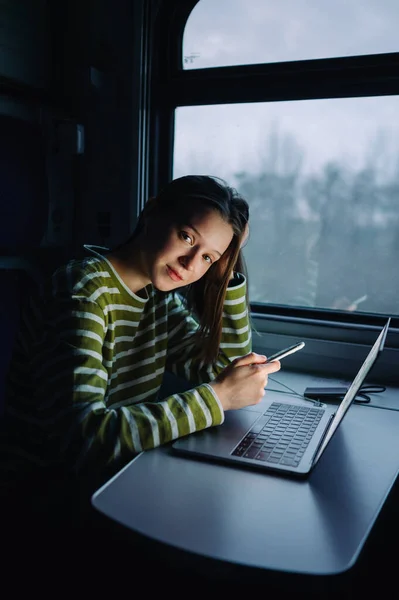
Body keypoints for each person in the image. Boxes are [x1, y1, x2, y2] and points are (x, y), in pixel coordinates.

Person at [0, 175, 280, 584]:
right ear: (151, 212)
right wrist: (216, 399)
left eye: (208, 257)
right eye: (187, 237)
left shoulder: (157, 298)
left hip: (111, 478)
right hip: (45, 493)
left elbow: (218, 366)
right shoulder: (83, 291)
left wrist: (227, 280)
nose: (190, 265)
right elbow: (85, 440)